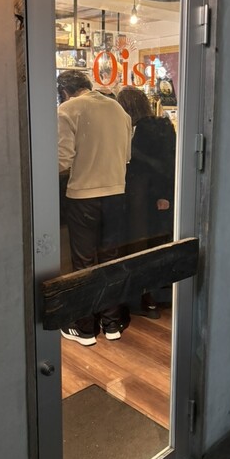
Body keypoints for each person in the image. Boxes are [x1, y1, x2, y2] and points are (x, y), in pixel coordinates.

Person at [57, 70, 132, 346]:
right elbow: (126, 156)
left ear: (64, 92)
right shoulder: (118, 109)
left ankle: (85, 327)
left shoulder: (68, 109)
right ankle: (111, 324)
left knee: (84, 263)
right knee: (110, 259)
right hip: (116, 193)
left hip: (83, 196)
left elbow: (61, 160)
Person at [117, 86, 176, 318]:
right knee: (158, 244)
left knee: (141, 244)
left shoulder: (141, 130)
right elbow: (170, 161)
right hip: (161, 193)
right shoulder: (162, 124)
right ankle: (158, 296)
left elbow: (140, 162)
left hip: (145, 196)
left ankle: (145, 299)